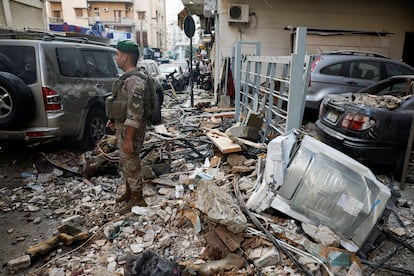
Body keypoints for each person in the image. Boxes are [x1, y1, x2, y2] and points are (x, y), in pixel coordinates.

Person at [106, 40, 147, 214]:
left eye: (117, 54)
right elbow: (123, 105)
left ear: (125, 56)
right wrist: (114, 120)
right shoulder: (127, 79)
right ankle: (130, 192)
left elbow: (135, 114)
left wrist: (129, 139)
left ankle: (138, 199)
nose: (116, 58)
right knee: (125, 161)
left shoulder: (134, 82)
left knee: (131, 162)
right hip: (123, 127)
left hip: (131, 131)